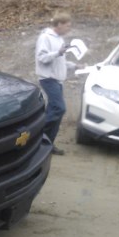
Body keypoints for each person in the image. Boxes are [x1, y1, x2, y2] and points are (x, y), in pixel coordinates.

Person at [35, 12, 81, 156]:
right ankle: (36, 133)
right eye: (67, 25)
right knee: (59, 108)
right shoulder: (45, 37)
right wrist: (58, 52)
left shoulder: (59, 39)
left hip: (57, 80)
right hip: (48, 79)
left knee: (56, 112)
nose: (69, 28)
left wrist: (75, 66)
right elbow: (42, 58)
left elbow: (60, 60)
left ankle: (47, 144)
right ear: (59, 24)